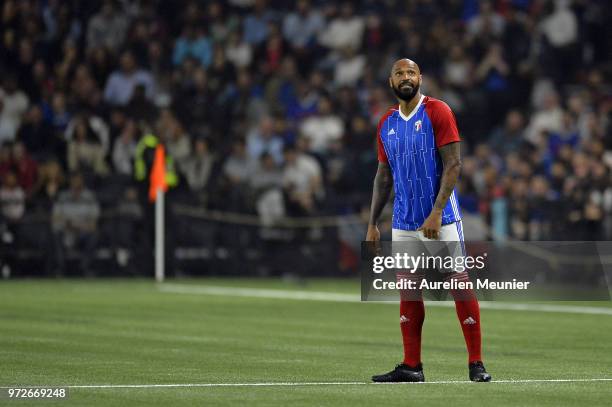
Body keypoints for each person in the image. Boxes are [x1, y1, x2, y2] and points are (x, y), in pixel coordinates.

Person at [366, 58, 491, 383]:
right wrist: (372, 223)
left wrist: (436, 211)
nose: (405, 77)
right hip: (403, 221)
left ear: (420, 78)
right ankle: (412, 367)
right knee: (409, 291)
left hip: (442, 217)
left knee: (459, 286)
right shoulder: (386, 123)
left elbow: (454, 165)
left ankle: (476, 364)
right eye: (399, 73)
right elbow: (383, 176)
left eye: (411, 72)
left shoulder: (438, 111)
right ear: (391, 81)